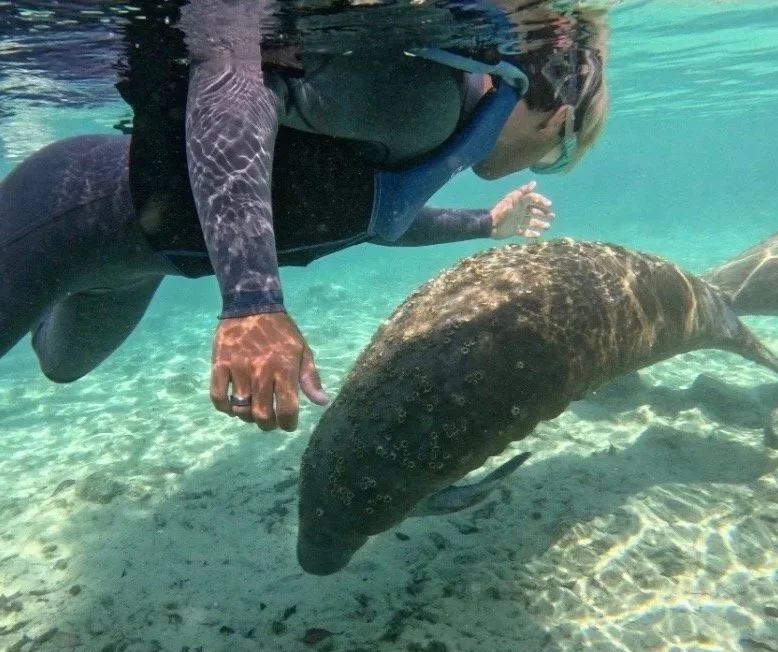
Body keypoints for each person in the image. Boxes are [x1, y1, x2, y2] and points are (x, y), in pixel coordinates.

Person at [0, 1, 609, 433]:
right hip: (65, 216)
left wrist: (482, 225)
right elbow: (235, 80)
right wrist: (253, 302)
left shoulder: (448, 128)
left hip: (140, 262)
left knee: (60, 366)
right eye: (557, 159)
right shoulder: (430, 104)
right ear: (557, 120)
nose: (542, 166)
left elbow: (370, 217)